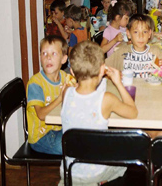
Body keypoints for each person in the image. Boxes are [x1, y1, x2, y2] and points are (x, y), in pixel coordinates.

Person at [59, 41, 138, 185]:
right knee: (127, 158)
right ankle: (101, 181)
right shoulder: (106, 100)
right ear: (102, 70)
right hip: (95, 173)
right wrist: (118, 83)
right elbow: (133, 112)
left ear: (71, 72)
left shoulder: (66, 93)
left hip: (68, 171)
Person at [26, 35, 69, 155]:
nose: (48, 58)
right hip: (41, 136)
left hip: (60, 128)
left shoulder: (66, 78)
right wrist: (60, 98)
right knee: (72, 146)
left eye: (54, 54)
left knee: (85, 136)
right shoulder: (35, 84)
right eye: (44, 53)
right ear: (40, 57)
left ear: (64, 59)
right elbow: (41, 115)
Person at [106, 14, 162, 78]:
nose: (141, 36)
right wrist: (113, 74)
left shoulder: (156, 51)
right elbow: (104, 68)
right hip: (126, 87)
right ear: (128, 34)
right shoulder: (121, 52)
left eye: (144, 32)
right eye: (136, 32)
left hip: (151, 87)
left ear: (149, 34)